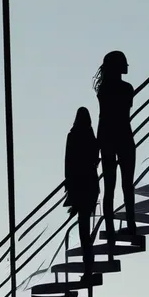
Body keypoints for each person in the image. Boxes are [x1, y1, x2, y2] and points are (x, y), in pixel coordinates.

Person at [94, 50, 136, 240]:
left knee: (109, 185)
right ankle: (131, 225)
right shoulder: (127, 88)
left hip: (108, 138)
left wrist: (97, 144)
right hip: (124, 137)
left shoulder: (103, 89)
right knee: (127, 185)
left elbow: (103, 119)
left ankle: (110, 228)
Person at [64, 106, 100, 276]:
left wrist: (69, 192)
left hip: (79, 185)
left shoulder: (72, 136)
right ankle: (89, 266)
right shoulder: (92, 138)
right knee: (86, 227)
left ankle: (88, 268)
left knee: (83, 229)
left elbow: (68, 164)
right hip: (91, 185)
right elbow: (95, 159)